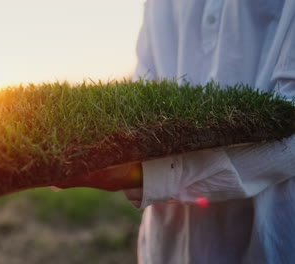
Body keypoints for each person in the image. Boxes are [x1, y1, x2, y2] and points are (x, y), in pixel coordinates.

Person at [124, 1, 295, 263]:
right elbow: (143, 94)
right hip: (168, 245)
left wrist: (154, 178)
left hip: (268, 243)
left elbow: (290, 125)